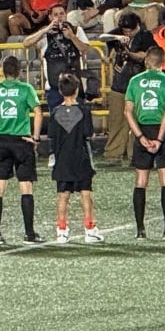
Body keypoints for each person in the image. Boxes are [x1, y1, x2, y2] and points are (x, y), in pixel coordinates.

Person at [0, 56, 44, 245]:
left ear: (3, 71)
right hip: (21, 141)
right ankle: (29, 233)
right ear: (19, 71)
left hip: (1, 141)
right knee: (25, 187)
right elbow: (38, 112)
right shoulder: (26, 89)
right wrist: (36, 137)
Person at [123, 46, 165, 240]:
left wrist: (140, 137)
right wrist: (159, 139)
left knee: (141, 180)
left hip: (142, 129)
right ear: (163, 62)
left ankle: (140, 230)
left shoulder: (135, 81)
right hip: (162, 132)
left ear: (146, 61)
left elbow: (128, 112)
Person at [47, 73, 102, 245]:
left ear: (61, 91)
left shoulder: (55, 112)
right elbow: (88, 134)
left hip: (63, 159)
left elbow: (52, 138)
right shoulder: (84, 111)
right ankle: (89, 229)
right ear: (77, 90)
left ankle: (62, 231)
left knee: (63, 195)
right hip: (81, 158)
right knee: (85, 193)